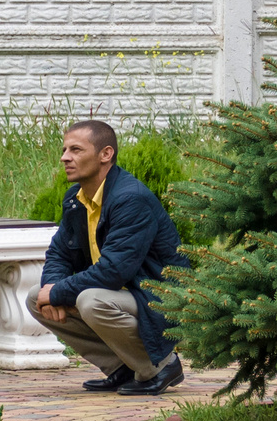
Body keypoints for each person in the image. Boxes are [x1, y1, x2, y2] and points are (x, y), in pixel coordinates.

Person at [30, 120, 186, 394]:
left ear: (105, 154)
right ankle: (123, 367)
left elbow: (114, 271)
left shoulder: (131, 199)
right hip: (122, 294)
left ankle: (161, 366)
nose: (65, 157)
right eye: (65, 149)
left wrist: (57, 293)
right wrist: (51, 287)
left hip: (158, 294)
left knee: (90, 301)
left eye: (76, 150)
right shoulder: (75, 198)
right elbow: (59, 253)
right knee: (35, 296)